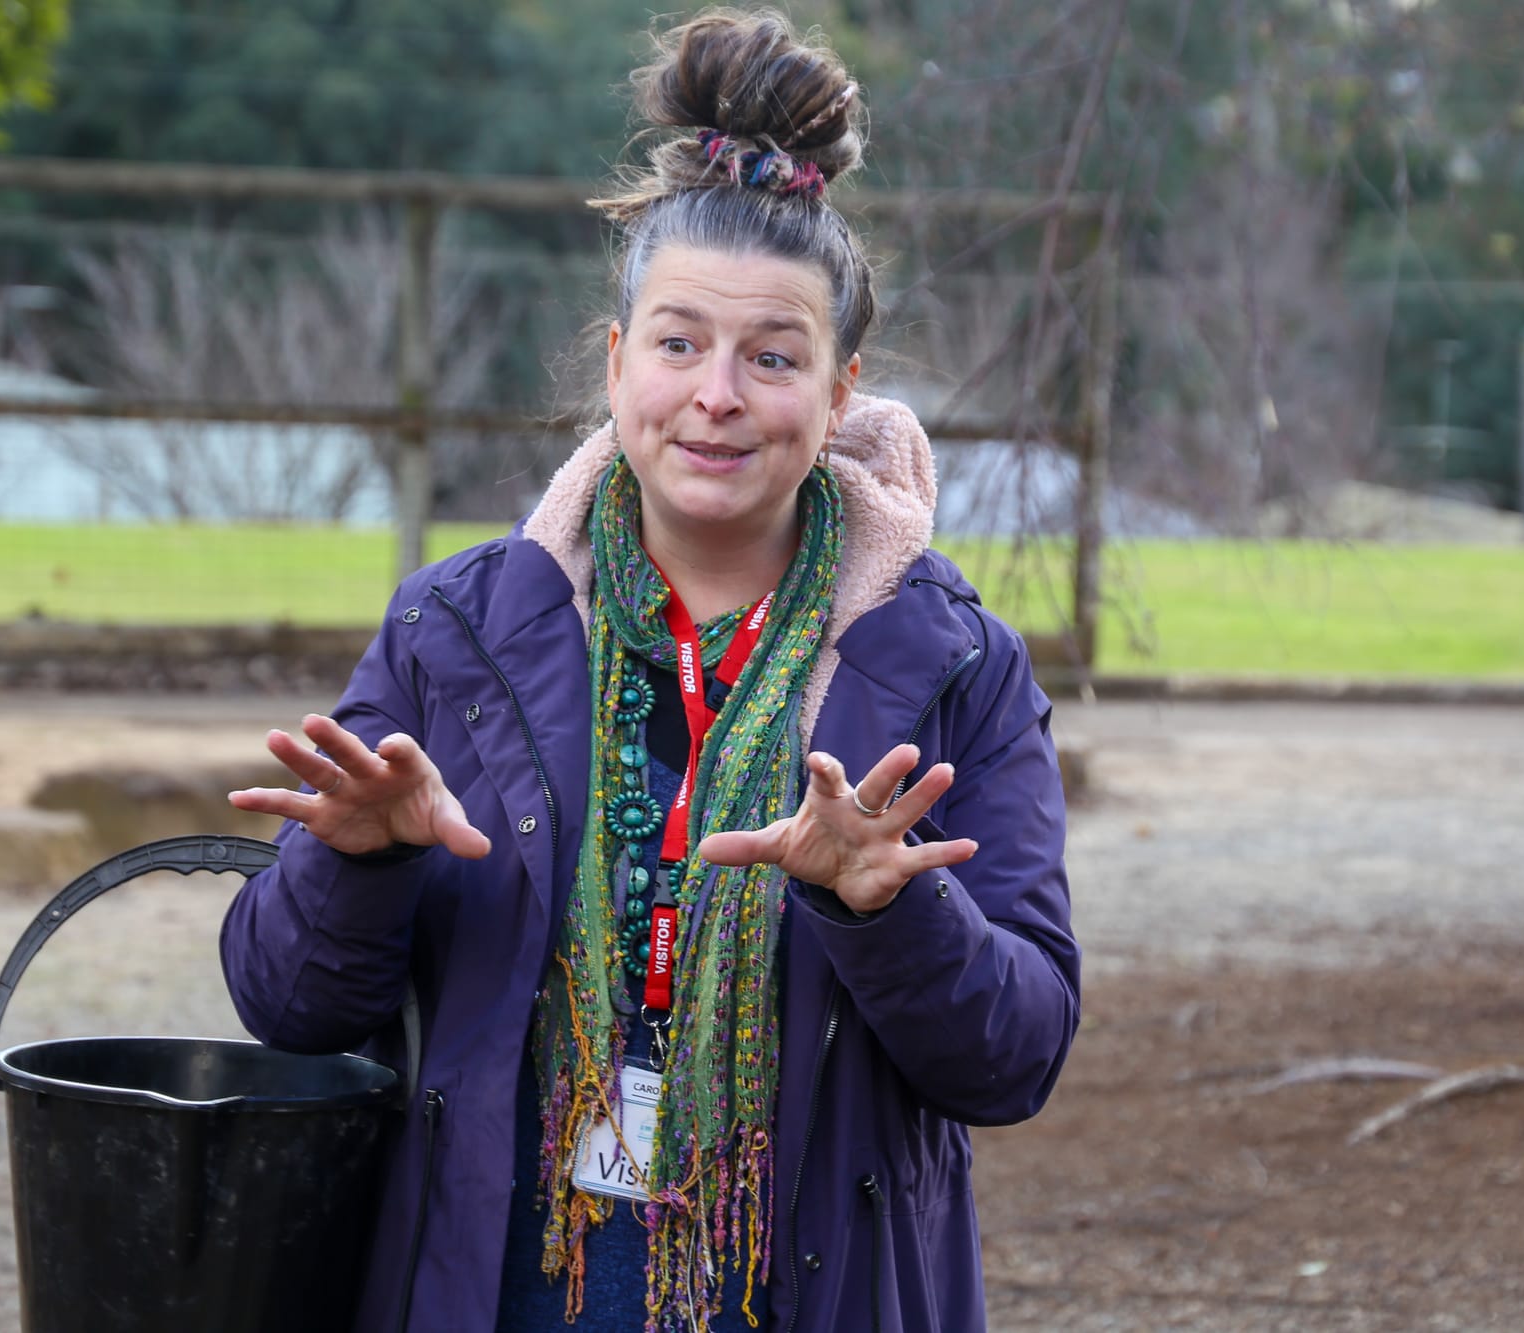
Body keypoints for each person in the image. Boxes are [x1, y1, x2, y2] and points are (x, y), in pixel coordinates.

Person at [221, 10, 1078, 1330]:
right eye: (679, 343)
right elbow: (288, 1004)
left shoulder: (952, 661)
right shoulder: (458, 632)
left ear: (840, 392)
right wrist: (359, 863)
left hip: (805, 1290)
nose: (718, 393)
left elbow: (1015, 1055)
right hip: (504, 1279)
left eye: (773, 356)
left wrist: (884, 909)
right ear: (619, 363)